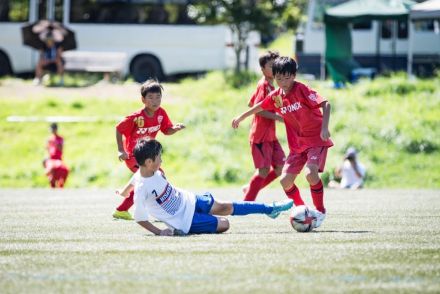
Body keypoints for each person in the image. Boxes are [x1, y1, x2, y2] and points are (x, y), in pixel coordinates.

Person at [232, 56, 333, 229]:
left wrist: (325, 128)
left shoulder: (302, 90)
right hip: (297, 146)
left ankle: (320, 211)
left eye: (287, 78)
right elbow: (260, 106)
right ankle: (303, 209)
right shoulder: (277, 96)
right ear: (274, 76)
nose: (283, 82)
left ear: (294, 75)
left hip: (316, 139)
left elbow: (326, 104)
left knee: (310, 174)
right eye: (279, 78)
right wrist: (241, 117)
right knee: (285, 180)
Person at [116, 139, 294, 236]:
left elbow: (131, 182)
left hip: (190, 200)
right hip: (184, 221)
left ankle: (269, 208)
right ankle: (201, 222)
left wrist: (122, 192)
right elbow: (140, 218)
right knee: (225, 224)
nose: (161, 160)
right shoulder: (142, 188)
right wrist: (160, 232)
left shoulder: (146, 172)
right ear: (148, 162)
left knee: (225, 206)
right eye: (158, 157)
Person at [113, 79, 185, 220]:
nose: (155, 101)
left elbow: (166, 130)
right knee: (155, 177)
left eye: (158, 97)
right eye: (151, 97)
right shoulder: (136, 117)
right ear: (143, 99)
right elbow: (118, 128)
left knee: (149, 180)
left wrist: (174, 129)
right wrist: (121, 150)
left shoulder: (161, 114)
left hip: (149, 156)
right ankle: (161, 210)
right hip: (134, 156)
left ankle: (122, 209)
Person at [242, 51, 286, 201]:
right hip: (260, 136)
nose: (274, 68)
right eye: (271, 66)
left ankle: (250, 189)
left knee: (281, 168)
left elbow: (251, 103)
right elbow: (258, 110)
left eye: (276, 65)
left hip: (271, 136)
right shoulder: (264, 85)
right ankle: (247, 202)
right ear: (262, 68)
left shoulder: (271, 85)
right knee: (263, 171)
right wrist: (277, 117)